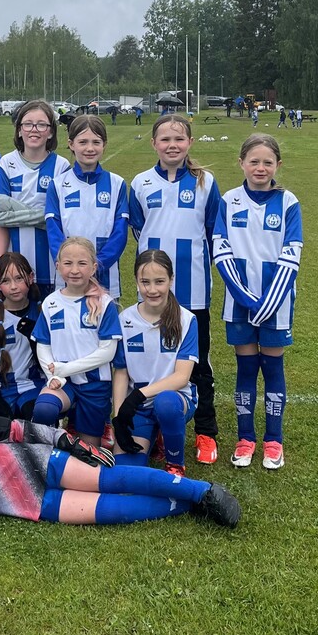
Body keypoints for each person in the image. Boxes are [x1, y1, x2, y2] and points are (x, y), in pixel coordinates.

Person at [0, 371, 241, 528]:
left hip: (35, 463)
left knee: (111, 481)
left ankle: (203, 491)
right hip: (22, 503)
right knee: (111, 511)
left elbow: (19, 429)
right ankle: (188, 506)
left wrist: (68, 441)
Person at [128, 114, 221, 465]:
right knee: (153, 361)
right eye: (165, 139)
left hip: (193, 290)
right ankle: (154, 426)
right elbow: (140, 230)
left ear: (190, 143)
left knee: (199, 364)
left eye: (179, 139)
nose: (172, 145)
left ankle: (206, 431)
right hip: (153, 292)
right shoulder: (140, 183)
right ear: (154, 143)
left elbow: (212, 232)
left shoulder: (205, 182)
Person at [212, 134, 303, 471]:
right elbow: (221, 250)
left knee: (273, 368)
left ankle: (273, 440)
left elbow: (292, 254)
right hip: (239, 303)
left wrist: (268, 301)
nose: (260, 168)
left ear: (278, 165)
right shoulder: (229, 200)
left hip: (277, 303)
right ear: (241, 163)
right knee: (246, 369)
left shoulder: (288, 202)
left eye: (267, 162)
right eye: (254, 161)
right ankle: (245, 437)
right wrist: (247, 299)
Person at [112, 250, 199, 476]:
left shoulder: (187, 320)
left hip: (175, 400)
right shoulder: (125, 320)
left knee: (165, 403)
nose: (152, 289)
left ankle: (175, 464)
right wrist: (119, 417)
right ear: (136, 281)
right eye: (145, 282)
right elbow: (121, 372)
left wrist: (139, 395)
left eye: (159, 281)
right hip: (138, 408)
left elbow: (182, 377)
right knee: (126, 475)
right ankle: (155, 435)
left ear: (171, 280)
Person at [31, 237, 122, 447]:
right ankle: (48, 448)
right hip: (63, 382)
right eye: (68, 263)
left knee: (88, 452)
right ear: (57, 266)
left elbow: (107, 352)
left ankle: (78, 431)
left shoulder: (104, 303)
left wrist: (66, 369)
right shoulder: (51, 302)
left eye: (82, 263)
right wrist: (54, 376)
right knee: (44, 408)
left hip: (95, 385)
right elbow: (43, 345)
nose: (74, 270)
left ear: (94, 267)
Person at [45, 114, 128, 299]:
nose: (90, 148)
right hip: (69, 276)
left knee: (105, 317)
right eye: (83, 142)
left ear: (104, 144)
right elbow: (53, 232)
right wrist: (71, 266)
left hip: (105, 275)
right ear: (71, 144)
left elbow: (120, 233)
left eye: (96, 142)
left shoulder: (117, 184)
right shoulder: (57, 185)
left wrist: (96, 266)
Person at [0, 101, 69, 297]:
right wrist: (45, 215)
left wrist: (14, 212)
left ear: (50, 132)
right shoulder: (6, 164)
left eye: (41, 124)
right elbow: (0, 218)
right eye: (28, 124)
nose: (34, 129)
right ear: (19, 130)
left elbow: (62, 218)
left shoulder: (61, 166)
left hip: (51, 264)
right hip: (14, 268)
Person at [0, 253, 45, 419]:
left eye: (19, 278)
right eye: (6, 281)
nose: (13, 286)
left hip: (33, 387)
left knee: (37, 415)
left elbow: (49, 364)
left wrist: (33, 340)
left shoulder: (43, 313)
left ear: (31, 278)